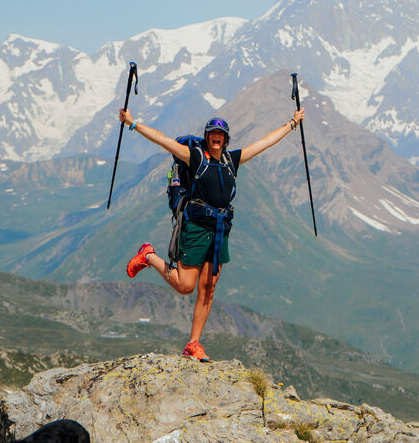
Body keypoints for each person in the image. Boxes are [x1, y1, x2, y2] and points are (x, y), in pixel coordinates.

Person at [118, 108, 305, 361]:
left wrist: (292, 123)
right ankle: (149, 255)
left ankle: (193, 344)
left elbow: (264, 142)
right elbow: (163, 139)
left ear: (226, 139)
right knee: (185, 286)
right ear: (207, 137)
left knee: (208, 289)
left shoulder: (232, 161)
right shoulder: (195, 157)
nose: (216, 137)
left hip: (219, 231)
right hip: (195, 228)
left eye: (221, 134)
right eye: (212, 133)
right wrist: (133, 123)